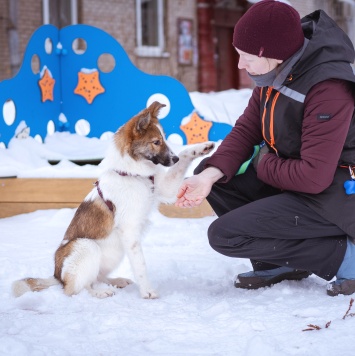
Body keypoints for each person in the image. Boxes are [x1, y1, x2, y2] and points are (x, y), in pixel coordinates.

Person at [175, 0, 355, 296]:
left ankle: (347, 259)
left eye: (246, 57)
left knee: (226, 236)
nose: (239, 65)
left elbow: (314, 177)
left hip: (336, 192)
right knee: (220, 179)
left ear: (272, 53)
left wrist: (262, 163)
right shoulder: (275, 75)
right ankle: (281, 262)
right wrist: (208, 176)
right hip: (297, 181)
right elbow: (247, 129)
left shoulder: (328, 87)